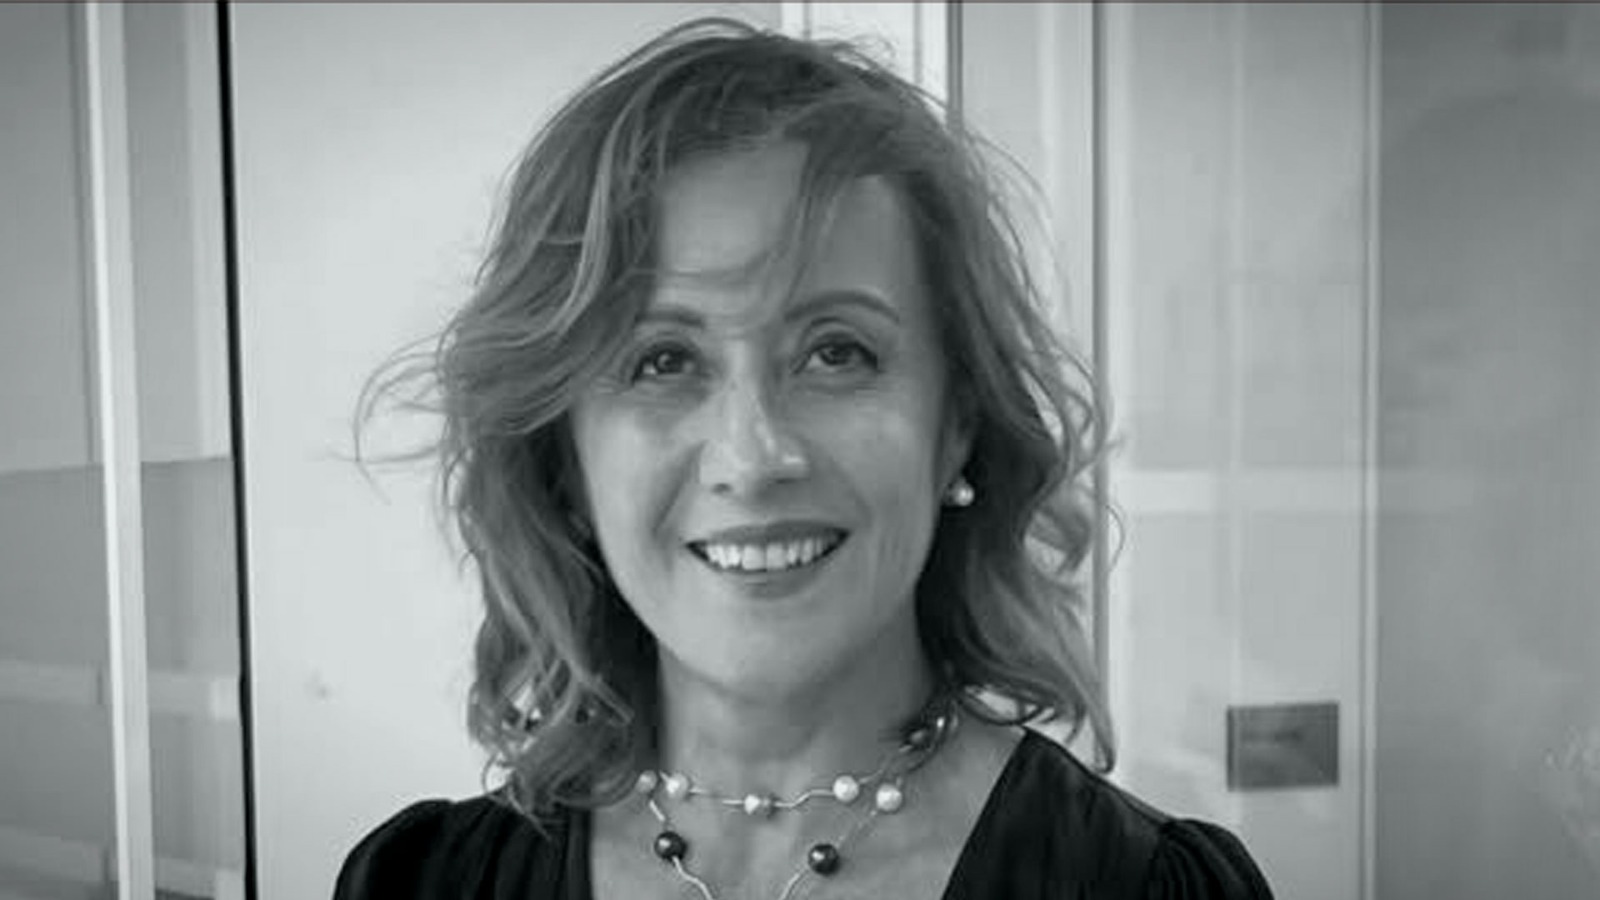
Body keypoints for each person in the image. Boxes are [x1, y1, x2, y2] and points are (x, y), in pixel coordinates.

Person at [338, 17, 1273, 900]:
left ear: (957, 423)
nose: (752, 457)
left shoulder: (1143, 886)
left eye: (837, 353)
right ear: (564, 462)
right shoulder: (422, 882)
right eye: (663, 361)